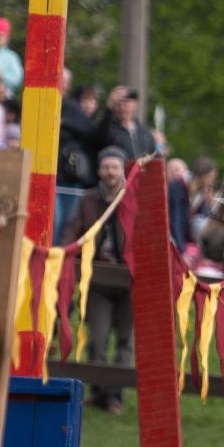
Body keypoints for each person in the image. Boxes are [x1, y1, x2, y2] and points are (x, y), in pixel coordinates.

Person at [61, 149, 134, 412]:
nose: (110, 172)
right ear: (100, 171)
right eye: (106, 167)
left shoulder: (134, 200)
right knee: (97, 338)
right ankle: (99, 392)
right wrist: (63, 252)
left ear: (122, 170)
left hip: (129, 282)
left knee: (125, 342)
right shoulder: (89, 200)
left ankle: (115, 396)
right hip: (99, 280)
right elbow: (72, 228)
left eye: (115, 167)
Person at [95, 85, 158, 163]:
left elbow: (153, 155)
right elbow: (99, 139)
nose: (122, 107)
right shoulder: (109, 129)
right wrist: (109, 107)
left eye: (126, 103)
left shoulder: (144, 132)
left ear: (135, 104)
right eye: (118, 104)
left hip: (141, 173)